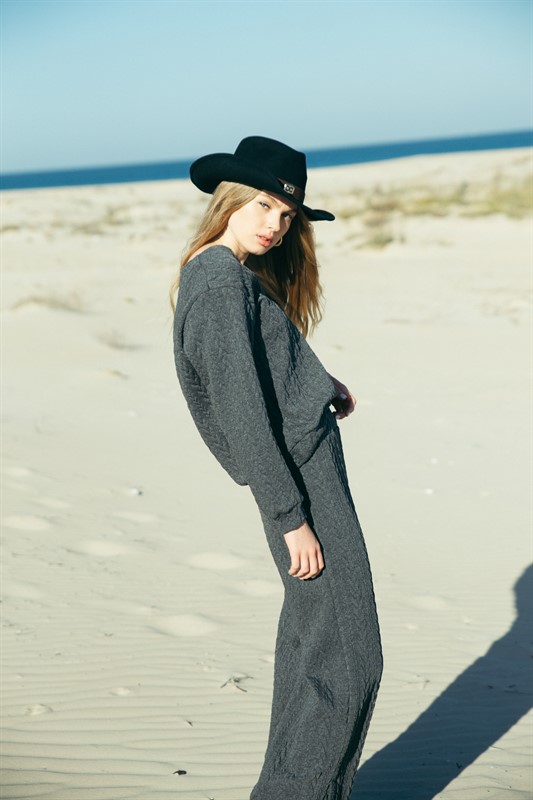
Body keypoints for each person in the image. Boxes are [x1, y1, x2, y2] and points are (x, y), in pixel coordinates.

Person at [170, 136, 383, 800]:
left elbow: (259, 377)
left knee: (318, 649)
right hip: (299, 483)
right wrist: (290, 518)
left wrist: (317, 382)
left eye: (287, 215)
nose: (275, 225)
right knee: (347, 658)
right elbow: (242, 416)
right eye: (263, 205)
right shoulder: (217, 283)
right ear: (230, 199)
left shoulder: (228, 274)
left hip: (304, 472)